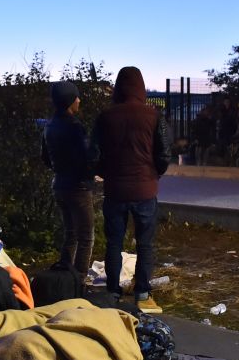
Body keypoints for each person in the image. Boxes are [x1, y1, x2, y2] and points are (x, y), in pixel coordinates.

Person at [89, 66, 171, 314]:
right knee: (145, 243)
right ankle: (142, 292)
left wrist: (106, 172)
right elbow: (164, 154)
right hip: (145, 190)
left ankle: (113, 291)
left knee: (114, 242)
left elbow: (93, 154)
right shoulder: (154, 116)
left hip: (115, 190)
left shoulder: (105, 117)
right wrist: (153, 174)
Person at [42, 81, 95, 274]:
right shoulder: (74, 127)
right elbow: (85, 158)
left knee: (70, 234)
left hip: (59, 184)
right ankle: (79, 281)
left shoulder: (49, 125)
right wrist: (91, 175)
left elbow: (45, 158)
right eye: (76, 97)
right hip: (78, 187)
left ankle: (64, 276)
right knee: (86, 237)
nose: (79, 100)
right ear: (69, 101)